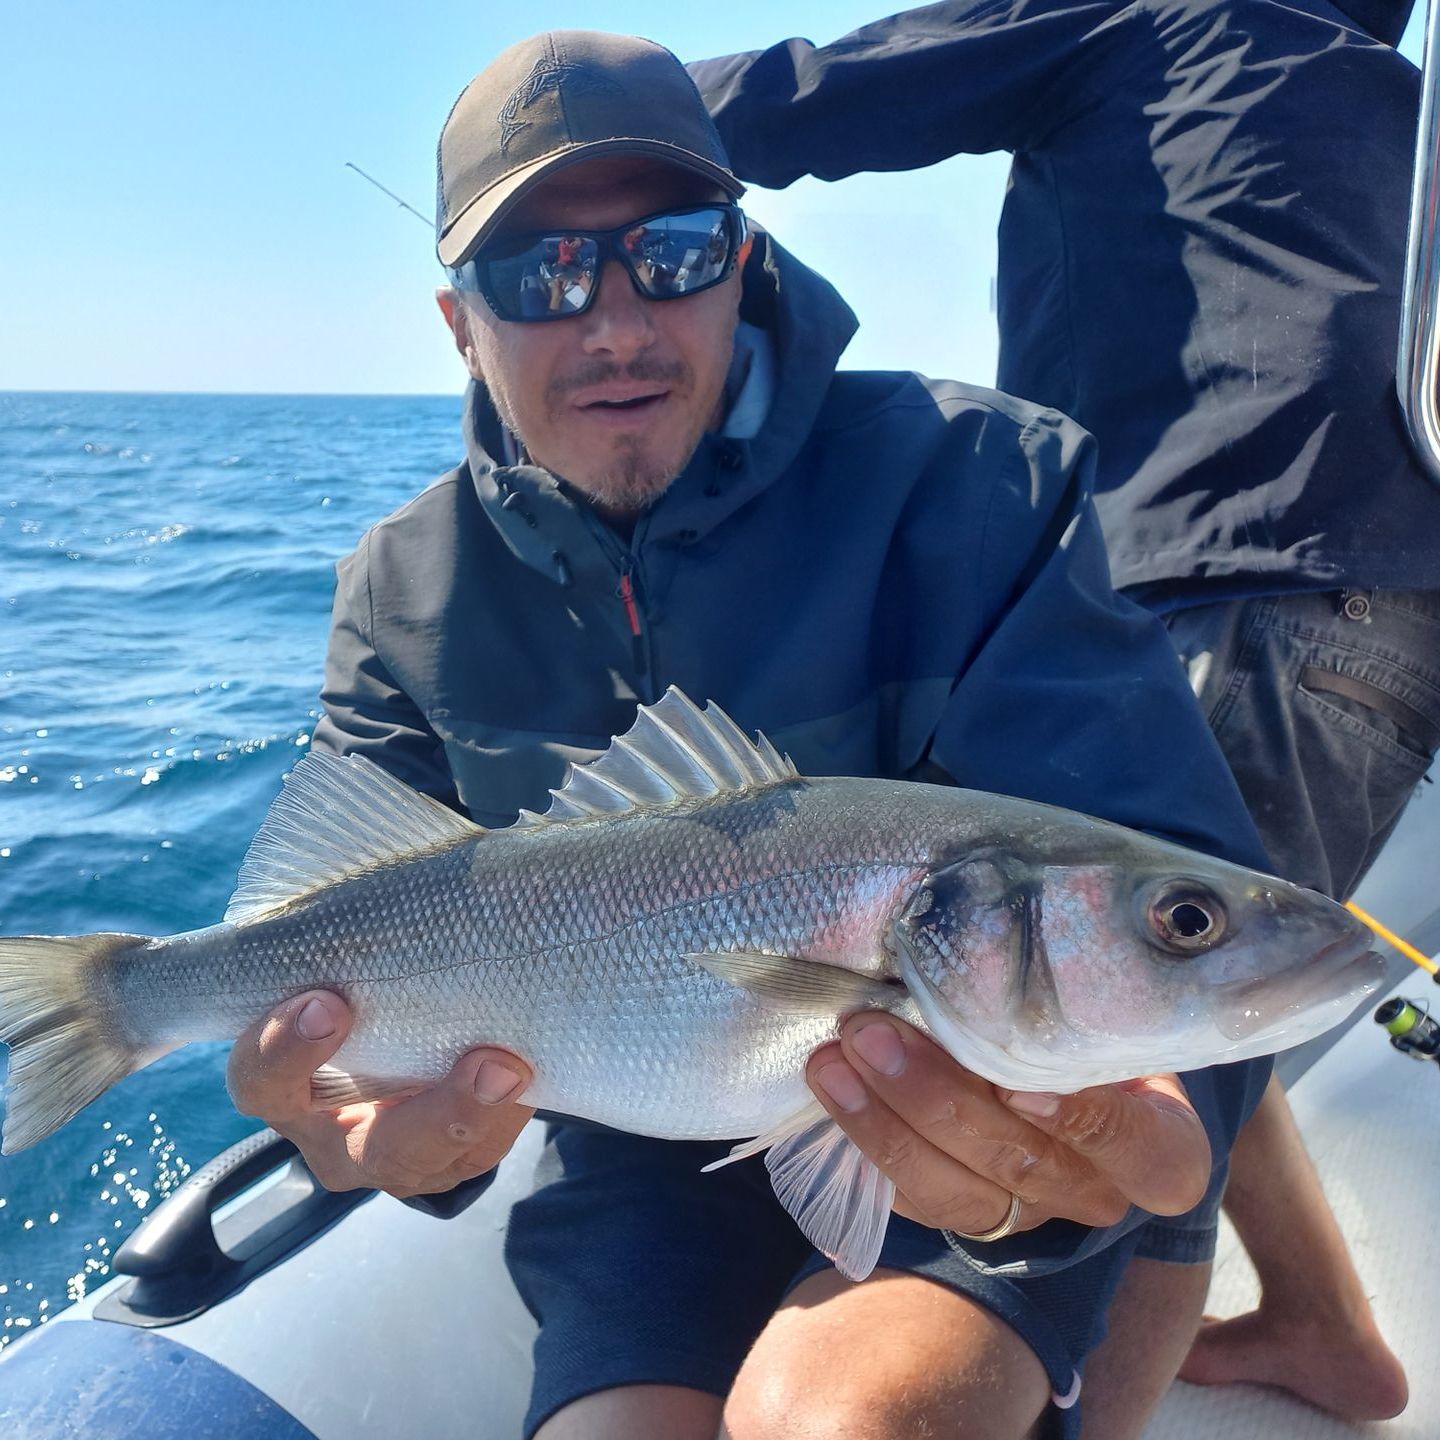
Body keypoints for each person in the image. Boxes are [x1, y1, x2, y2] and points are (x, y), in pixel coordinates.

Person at [225, 30, 1280, 1440]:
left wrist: (1160, 1131)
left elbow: (1173, 908)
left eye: (669, 250)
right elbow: (371, 970)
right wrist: (384, 1137)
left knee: (844, 1421)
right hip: (632, 1138)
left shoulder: (977, 480)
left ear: (742, 259)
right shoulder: (398, 593)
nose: (613, 322)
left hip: (970, 1108)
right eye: (537, 274)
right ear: (457, 322)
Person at [690, 0, 1435, 1430]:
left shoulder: (1152, 19)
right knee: (1179, 973)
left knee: (1136, 1071)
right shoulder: (1392, 106)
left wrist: (613, 144)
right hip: (1386, 601)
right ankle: (1325, 1323)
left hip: (1228, 577)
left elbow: (834, 87)